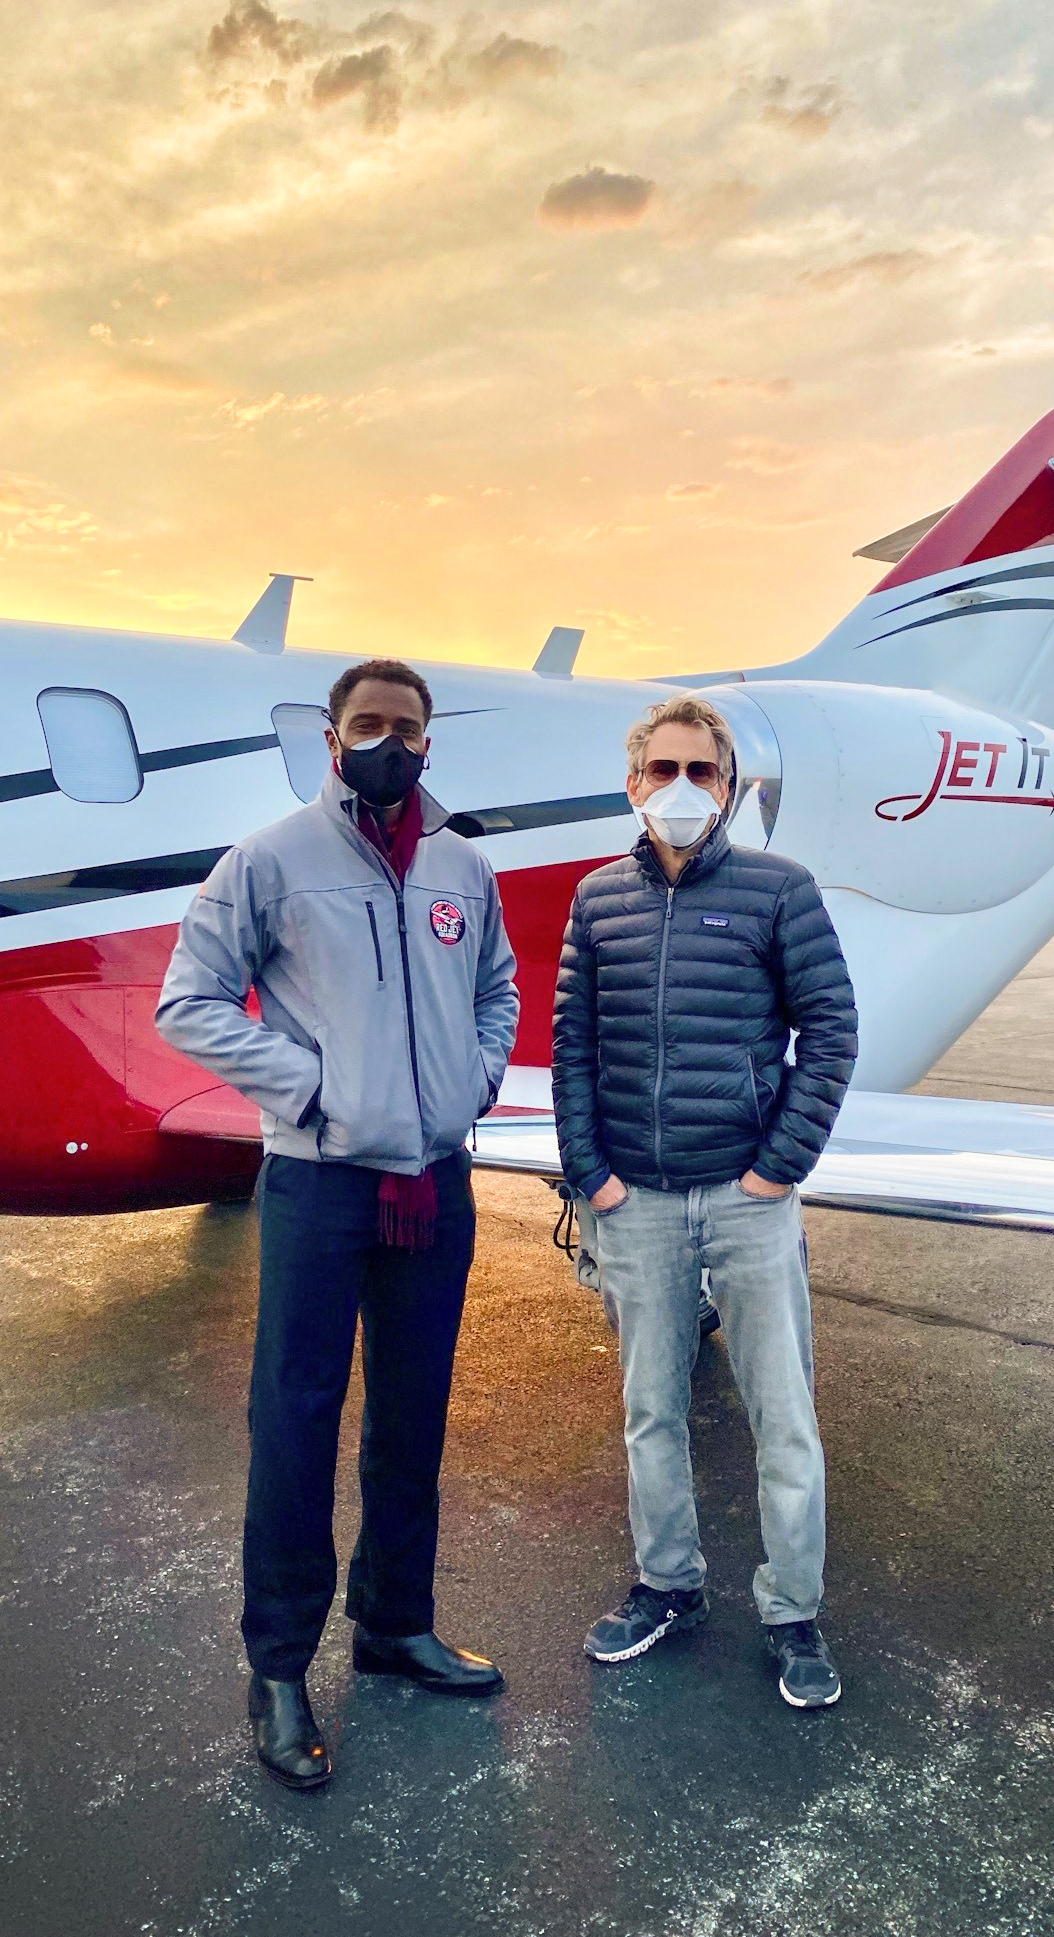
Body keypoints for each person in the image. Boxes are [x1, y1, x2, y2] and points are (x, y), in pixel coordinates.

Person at [156, 658, 518, 1789]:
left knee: (413, 1414)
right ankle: (277, 1666)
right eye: (368, 724)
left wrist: (473, 1077)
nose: (388, 743)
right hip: (319, 1183)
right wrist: (305, 1087)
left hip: (433, 1180)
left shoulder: (464, 865)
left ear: (429, 739)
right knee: (297, 1420)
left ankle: (395, 1623)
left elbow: (498, 986)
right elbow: (190, 1000)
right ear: (330, 737)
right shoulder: (269, 859)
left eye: (406, 727)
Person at [552, 693, 857, 1708]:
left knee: (784, 1415)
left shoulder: (780, 890)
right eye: (664, 769)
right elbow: (572, 1050)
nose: (683, 788)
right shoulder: (597, 898)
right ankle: (667, 1582)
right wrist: (592, 1175)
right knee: (652, 1410)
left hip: (747, 1197)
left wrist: (778, 1167)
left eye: (704, 771)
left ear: (728, 786)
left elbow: (831, 1032)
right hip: (634, 1199)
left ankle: (793, 1610)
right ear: (634, 783)